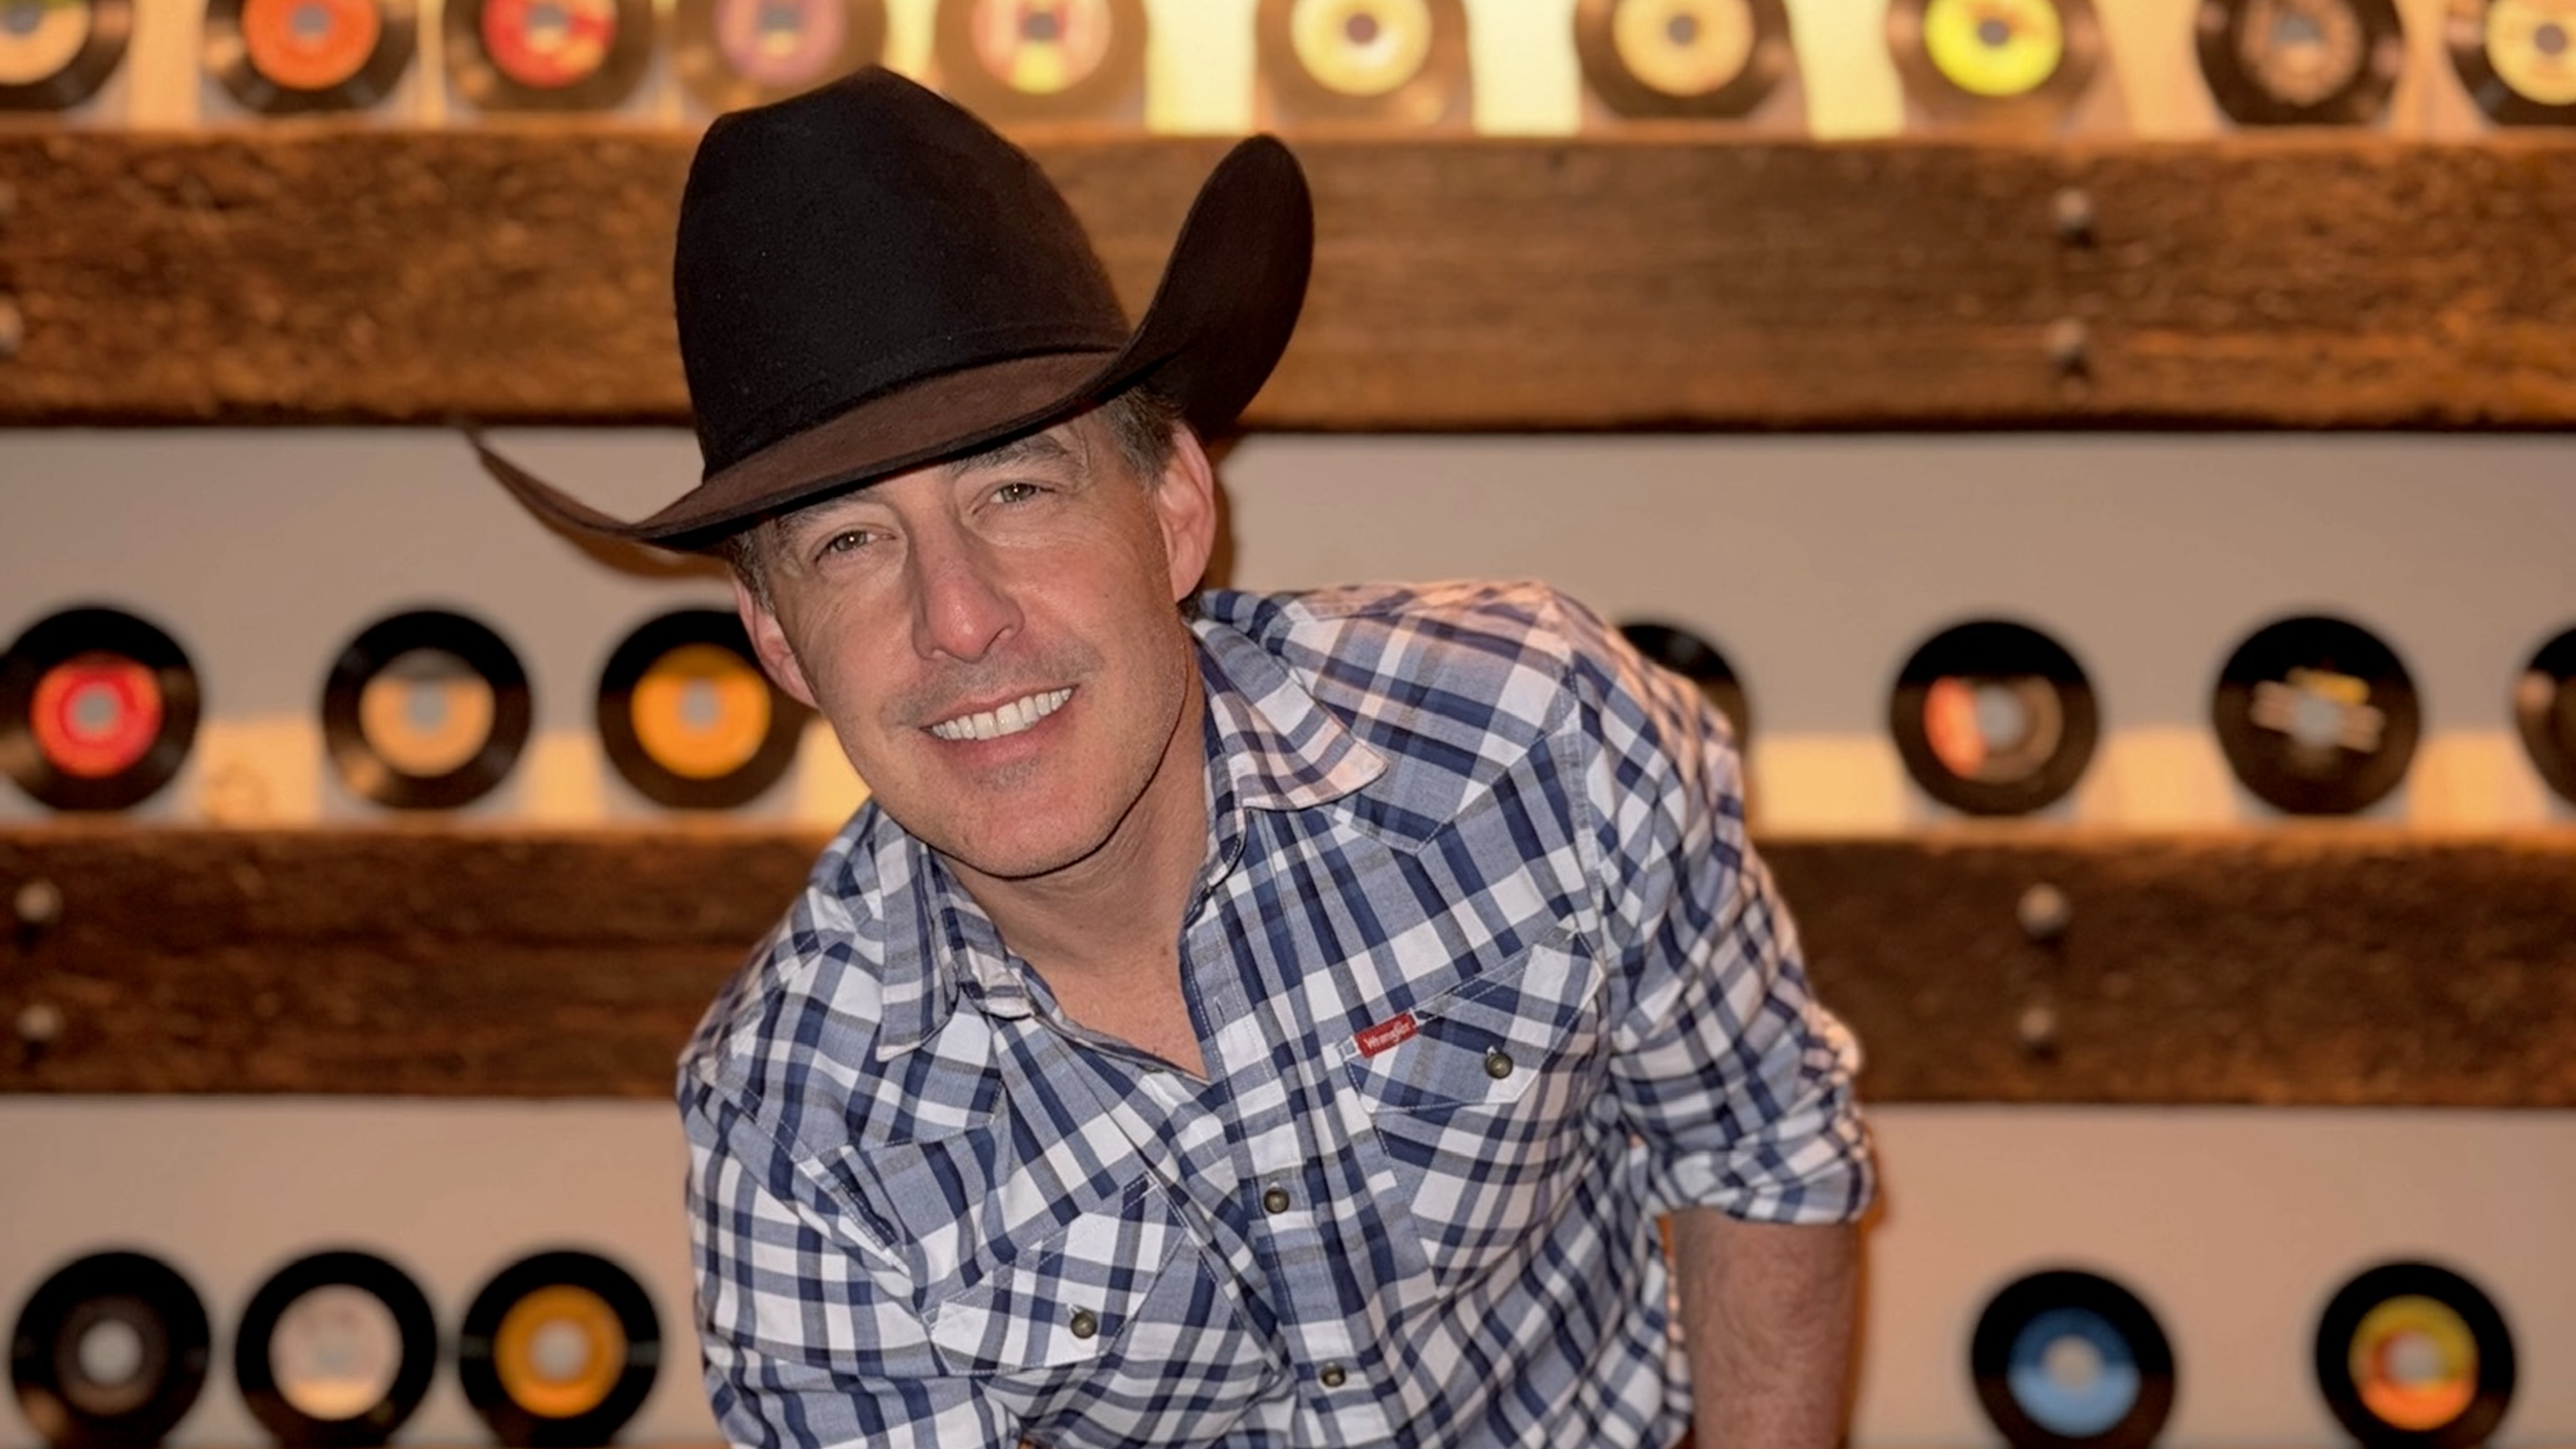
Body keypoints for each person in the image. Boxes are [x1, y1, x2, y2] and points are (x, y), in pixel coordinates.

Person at [478, 65, 1872, 1449]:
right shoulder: (794, 1133)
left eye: (1015, 489)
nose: (958, 619)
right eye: (850, 543)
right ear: (781, 645)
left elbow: (1763, 1152)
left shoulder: (1535, 731)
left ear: (1175, 510)